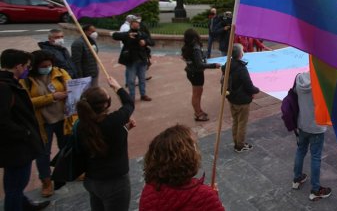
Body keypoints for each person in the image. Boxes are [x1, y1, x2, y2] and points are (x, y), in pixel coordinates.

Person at [0, 49, 50, 211]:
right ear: (19, 66)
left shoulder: (9, 84)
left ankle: (24, 205)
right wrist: (25, 133)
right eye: (27, 66)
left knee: (15, 183)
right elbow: (3, 121)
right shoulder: (5, 88)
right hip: (16, 147)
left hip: (16, 145)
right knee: (15, 185)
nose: (28, 70)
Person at [20, 50, 74, 198]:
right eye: (44, 66)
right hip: (42, 122)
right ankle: (46, 181)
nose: (47, 68)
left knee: (67, 147)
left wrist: (73, 90)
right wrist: (51, 97)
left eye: (49, 65)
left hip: (63, 118)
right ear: (35, 66)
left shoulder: (60, 73)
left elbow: (72, 85)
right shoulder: (26, 80)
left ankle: (71, 171)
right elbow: (25, 102)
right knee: (43, 153)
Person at [77, 76, 136, 211]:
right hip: (114, 182)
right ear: (105, 104)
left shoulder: (81, 125)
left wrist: (125, 129)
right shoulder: (114, 121)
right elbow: (129, 104)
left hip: (92, 179)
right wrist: (118, 87)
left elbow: (104, 138)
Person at [139, 125, 225, 210]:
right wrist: (212, 199)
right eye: (194, 146)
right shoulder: (205, 195)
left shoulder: (149, 190)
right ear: (188, 158)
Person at [291, 72, 332, 201]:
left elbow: (294, 94)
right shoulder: (322, 81)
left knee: (300, 151)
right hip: (316, 127)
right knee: (315, 157)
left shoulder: (299, 78)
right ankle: (315, 190)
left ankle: (297, 179)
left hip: (302, 124)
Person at [222, 44, 260, 153]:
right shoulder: (241, 68)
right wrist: (256, 90)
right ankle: (240, 145)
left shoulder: (227, 65)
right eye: (242, 50)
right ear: (240, 54)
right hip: (242, 100)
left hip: (232, 98)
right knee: (242, 123)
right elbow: (249, 86)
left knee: (235, 121)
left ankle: (236, 141)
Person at [182, 29, 220, 121]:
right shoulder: (196, 48)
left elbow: (185, 58)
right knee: (196, 94)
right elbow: (200, 64)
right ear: (195, 37)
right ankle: (198, 114)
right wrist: (214, 65)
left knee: (197, 92)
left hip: (191, 72)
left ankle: (199, 110)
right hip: (196, 73)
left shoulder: (187, 47)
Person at [112, 19, 155, 101]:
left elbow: (152, 42)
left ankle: (143, 95)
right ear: (131, 25)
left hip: (142, 59)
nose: (136, 26)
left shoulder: (142, 34)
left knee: (142, 79)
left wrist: (145, 42)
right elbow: (114, 35)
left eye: (137, 25)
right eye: (134, 25)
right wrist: (128, 35)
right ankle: (131, 97)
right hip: (131, 60)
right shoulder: (127, 34)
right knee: (131, 80)